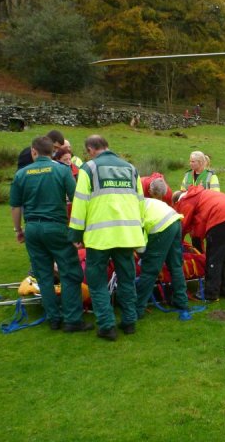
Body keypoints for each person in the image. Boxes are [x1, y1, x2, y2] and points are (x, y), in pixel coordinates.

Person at [9, 136, 92, 333]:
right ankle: (73, 320)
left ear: (33, 152)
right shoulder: (62, 170)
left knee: (43, 274)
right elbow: (76, 200)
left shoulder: (21, 174)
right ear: (53, 152)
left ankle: (54, 319)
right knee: (70, 273)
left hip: (33, 229)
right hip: (56, 227)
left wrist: (18, 230)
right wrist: (79, 230)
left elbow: (15, 206)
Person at [69, 135, 145, 341]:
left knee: (97, 282)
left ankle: (107, 325)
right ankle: (129, 322)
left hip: (99, 237)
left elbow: (80, 204)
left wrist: (75, 234)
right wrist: (141, 233)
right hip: (127, 235)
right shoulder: (131, 169)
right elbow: (141, 203)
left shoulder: (88, 169)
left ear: (90, 149)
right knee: (127, 279)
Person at [173, 186, 225, 301]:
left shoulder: (186, 201)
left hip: (221, 215)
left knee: (214, 257)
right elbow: (199, 225)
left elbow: (183, 226)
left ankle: (210, 293)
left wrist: (176, 244)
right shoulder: (199, 194)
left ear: (177, 201)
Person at [136, 179, 189, 318]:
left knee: (149, 270)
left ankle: (137, 309)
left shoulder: (132, 212)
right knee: (175, 265)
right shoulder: (145, 202)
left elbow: (139, 239)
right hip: (175, 221)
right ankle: (181, 301)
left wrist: (142, 257)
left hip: (162, 227)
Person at [180, 151, 220, 252]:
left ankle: (203, 259)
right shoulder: (187, 175)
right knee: (193, 237)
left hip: (204, 212)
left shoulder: (211, 176)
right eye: (190, 161)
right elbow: (182, 192)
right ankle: (198, 258)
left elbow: (216, 195)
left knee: (201, 237)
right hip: (190, 211)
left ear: (201, 162)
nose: (190, 163)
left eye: (193, 161)